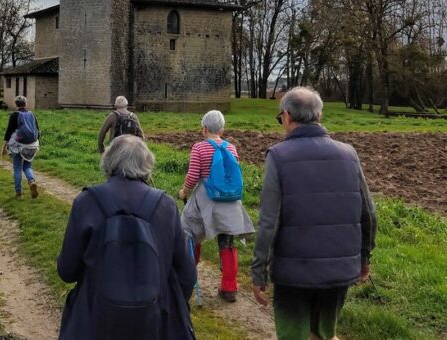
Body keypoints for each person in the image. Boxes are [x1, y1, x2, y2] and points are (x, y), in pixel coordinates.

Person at [251, 87, 377, 340]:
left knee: (292, 335)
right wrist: (364, 258)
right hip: (339, 269)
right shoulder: (349, 154)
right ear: (319, 115)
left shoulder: (278, 156)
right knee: (325, 335)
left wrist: (259, 271)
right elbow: (369, 213)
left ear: (286, 116)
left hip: (293, 271)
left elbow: (269, 222)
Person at [57, 135, 196, 340]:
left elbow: (67, 271)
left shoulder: (87, 202)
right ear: (147, 164)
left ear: (109, 161)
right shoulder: (166, 205)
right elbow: (187, 274)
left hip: (97, 320)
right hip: (153, 321)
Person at [178, 110, 255, 303]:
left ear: (204, 128)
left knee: (189, 233)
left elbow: (194, 176)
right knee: (227, 242)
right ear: (222, 128)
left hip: (206, 199)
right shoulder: (231, 148)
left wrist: (184, 192)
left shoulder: (199, 148)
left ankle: (186, 277)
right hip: (230, 202)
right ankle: (229, 288)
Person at [0, 96, 40, 199]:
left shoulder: (14, 115)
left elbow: (9, 132)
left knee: (17, 168)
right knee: (27, 166)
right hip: (32, 144)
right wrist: (36, 144)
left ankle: (18, 193)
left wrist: (4, 146)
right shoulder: (32, 114)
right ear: (26, 104)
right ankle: (31, 181)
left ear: (16, 104)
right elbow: (37, 131)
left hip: (18, 145)